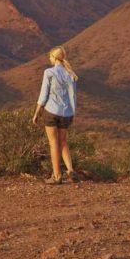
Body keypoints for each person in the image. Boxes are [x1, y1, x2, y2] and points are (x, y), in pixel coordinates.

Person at [31, 46, 78, 184]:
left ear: (54, 58)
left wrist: (36, 113)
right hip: (67, 113)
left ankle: (56, 176)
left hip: (51, 112)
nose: (49, 59)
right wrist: (72, 112)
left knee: (53, 143)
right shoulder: (70, 74)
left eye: (50, 57)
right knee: (63, 142)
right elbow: (73, 96)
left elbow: (43, 94)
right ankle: (70, 171)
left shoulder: (49, 72)